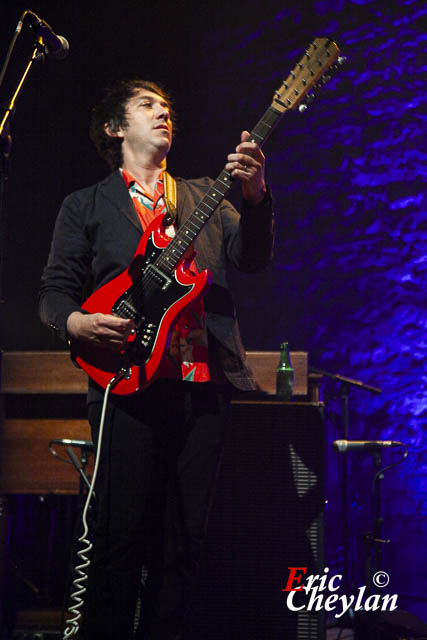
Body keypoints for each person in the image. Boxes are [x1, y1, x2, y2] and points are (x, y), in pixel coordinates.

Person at [39, 78, 274, 640]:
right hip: (126, 386)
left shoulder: (203, 196)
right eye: (147, 105)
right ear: (114, 129)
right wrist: (76, 323)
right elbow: (53, 294)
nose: (163, 113)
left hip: (201, 384)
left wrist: (257, 195)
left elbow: (253, 259)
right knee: (119, 543)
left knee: (184, 542)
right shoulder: (87, 206)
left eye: (167, 107)